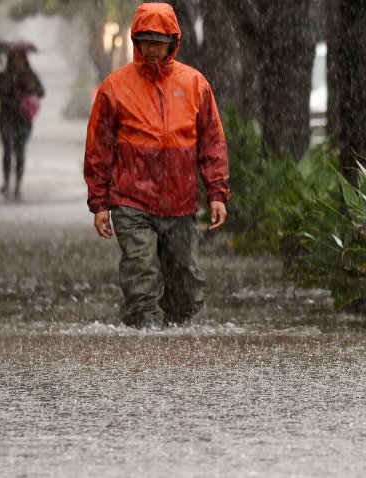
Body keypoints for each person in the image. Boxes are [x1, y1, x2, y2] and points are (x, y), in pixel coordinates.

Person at [83, 3, 229, 330]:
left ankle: (174, 332)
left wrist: (217, 193)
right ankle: (143, 337)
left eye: (159, 40)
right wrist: (100, 204)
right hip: (130, 201)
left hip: (180, 203)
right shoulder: (115, 88)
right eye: (145, 40)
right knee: (140, 277)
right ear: (135, 40)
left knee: (186, 284)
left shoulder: (195, 85)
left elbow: (212, 141)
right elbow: (98, 148)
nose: (152, 47)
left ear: (172, 42)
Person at [0, 48, 44, 199]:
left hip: (23, 120)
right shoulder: (2, 76)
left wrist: (31, 87)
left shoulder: (30, 76)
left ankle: (18, 185)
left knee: (20, 151)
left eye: (19, 58)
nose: (16, 61)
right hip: (6, 117)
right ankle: (7, 183)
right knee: (7, 149)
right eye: (13, 58)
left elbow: (41, 92)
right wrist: (2, 88)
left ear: (24, 59)